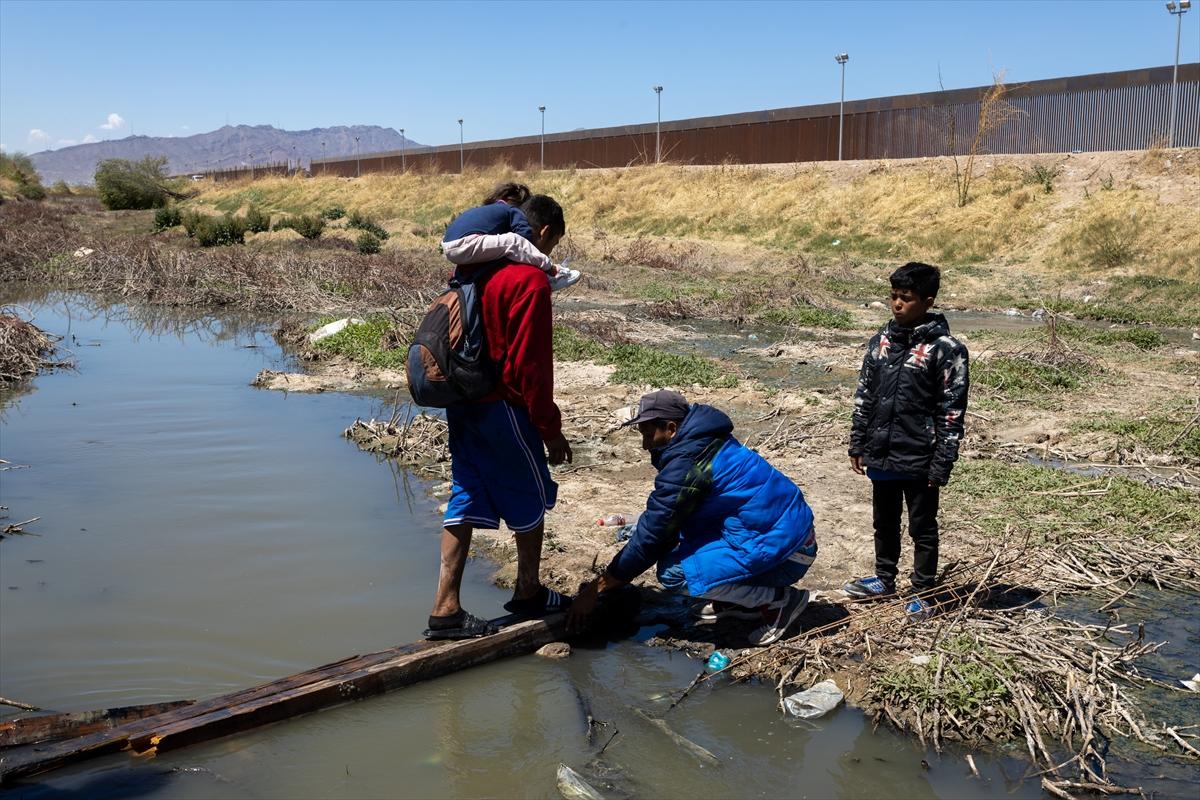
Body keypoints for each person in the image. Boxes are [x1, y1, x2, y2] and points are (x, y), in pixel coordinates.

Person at [424, 194, 574, 640]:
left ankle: (445, 609)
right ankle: (528, 592)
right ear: (542, 233)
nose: (547, 257)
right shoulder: (527, 280)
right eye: (551, 247)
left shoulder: (471, 271)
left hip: (462, 402)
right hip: (503, 409)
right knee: (529, 496)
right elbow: (530, 368)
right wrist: (551, 430)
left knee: (465, 493)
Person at [569, 390, 818, 646]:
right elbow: (666, 519)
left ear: (671, 428)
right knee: (682, 542)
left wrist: (596, 588)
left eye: (647, 434)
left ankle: (778, 600)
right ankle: (736, 598)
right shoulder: (707, 440)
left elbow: (653, 537)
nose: (645, 445)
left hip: (788, 556)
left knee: (674, 574)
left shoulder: (689, 464)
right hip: (791, 536)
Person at [842, 262, 970, 618]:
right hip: (881, 450)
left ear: (928, 301)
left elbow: (951, 410)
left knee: (922, 526)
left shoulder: (947, 350)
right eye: (894, 297)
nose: (897, 304)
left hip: (921, 455)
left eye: (907, 298)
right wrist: (858, 441)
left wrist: (943, 459)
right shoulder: (881, 341)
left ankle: (924, 592)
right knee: (883, 520)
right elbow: (865, 395)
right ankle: (884, 579)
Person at [441, 182, 581, 292]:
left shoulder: (492, 209)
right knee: (514, 241)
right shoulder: (513, 211)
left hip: (449, 243)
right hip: (463, 243)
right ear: (544, 232)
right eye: (554, 244)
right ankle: (554, 272)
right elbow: (523, 237)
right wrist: (539, 261)